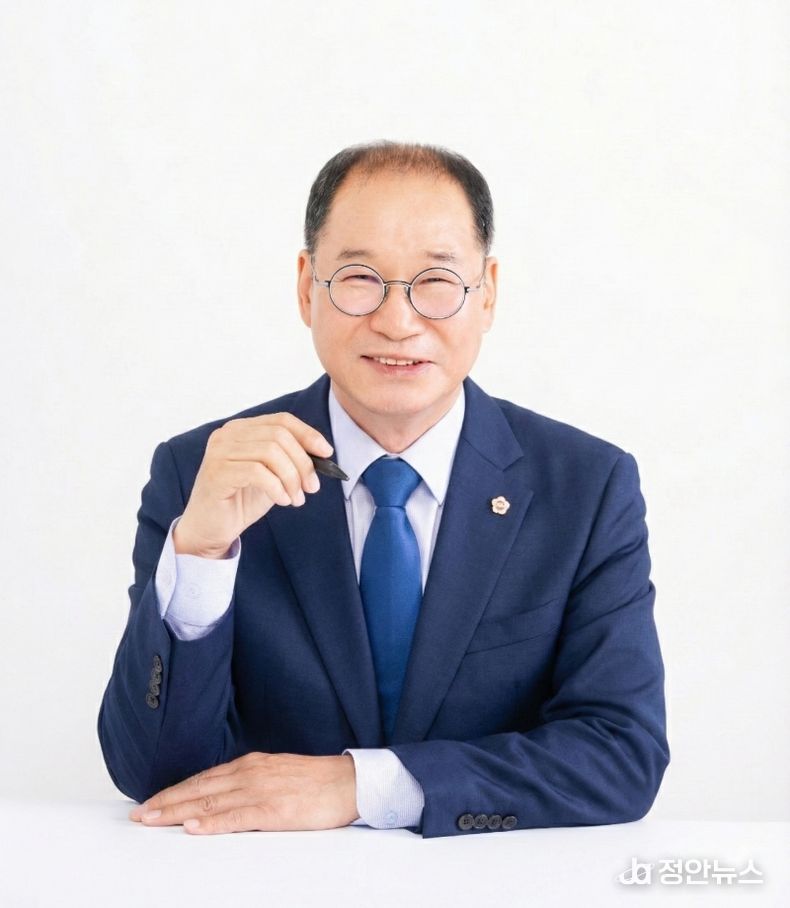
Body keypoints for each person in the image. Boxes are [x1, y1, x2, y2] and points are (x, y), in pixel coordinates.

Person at [97, 140, 670, 839]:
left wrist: (363, 785)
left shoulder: (586, 487)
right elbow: (154, 775)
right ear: (307, 287)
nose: (398, 322)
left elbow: (620, 754)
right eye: (359, 278)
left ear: (488, 293)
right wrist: (202, 552)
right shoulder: (202, 472)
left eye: (437, 281)